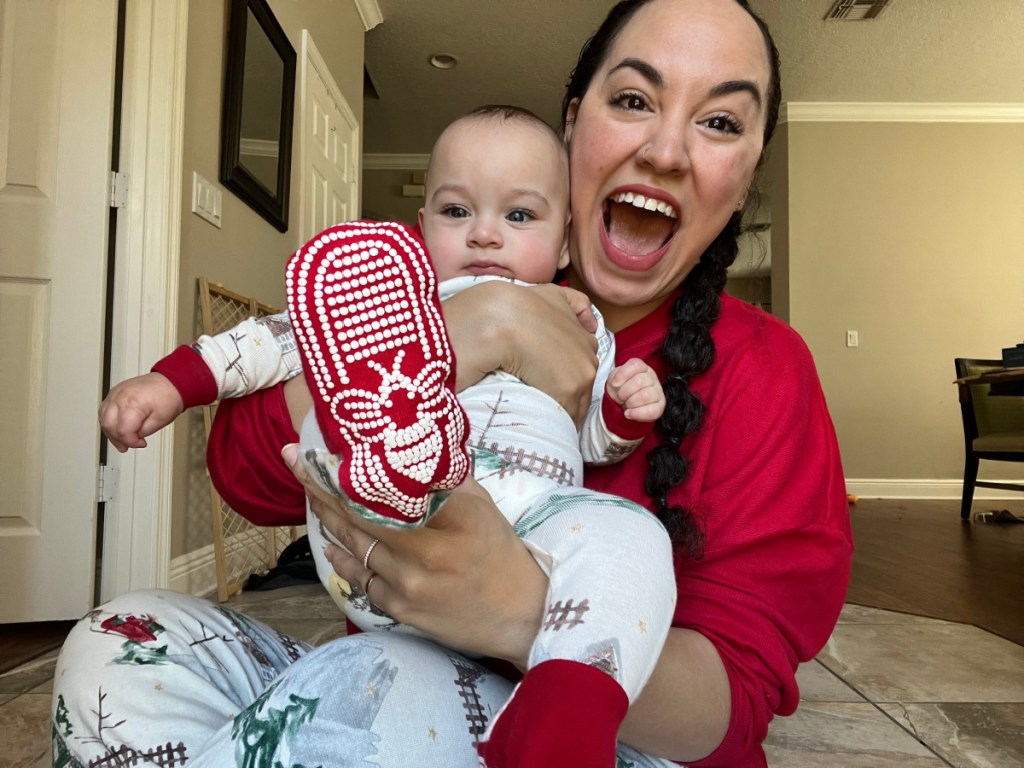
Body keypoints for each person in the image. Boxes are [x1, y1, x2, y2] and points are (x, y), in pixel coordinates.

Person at [53, 2, 853, 767]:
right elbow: (248, 472)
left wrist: (513, 613)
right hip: (388, 648)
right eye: (636, 98)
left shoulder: (762, 367)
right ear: (574, 127)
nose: (668, 151)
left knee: (363, 688)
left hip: (600, 737)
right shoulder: (413, 285)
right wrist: (472, 333)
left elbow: (736, 699)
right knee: (115, 646)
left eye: (720, 122)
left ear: (745, 176)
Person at [85, 105, 678, 764]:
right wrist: (175, 383)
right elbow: (278, 338)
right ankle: (375, 456)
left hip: (532, 522)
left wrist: (622, 412)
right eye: (457, 212)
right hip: (401, 519)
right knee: (348, 397)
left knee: (631, 538)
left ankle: (560, 717)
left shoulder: (582, 322)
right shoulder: (389, 300)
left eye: (518, 216)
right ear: (421, 230)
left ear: (565, 240)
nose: (484, 235)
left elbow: (591, 437)